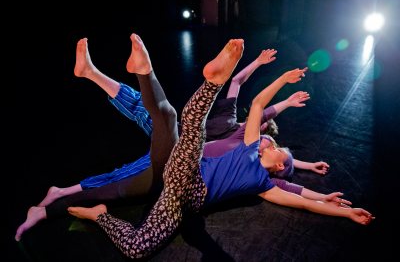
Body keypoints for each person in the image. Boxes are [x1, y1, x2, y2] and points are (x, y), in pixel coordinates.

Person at [66, 34, 374, 260]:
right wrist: (282, 79)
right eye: (269, 141)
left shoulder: (266, 185)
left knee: (137, 249)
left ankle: (98, 215)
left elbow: (304, 199)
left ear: (280, 164)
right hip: (189, 169)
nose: (270, 142)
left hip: (183, 200)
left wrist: (340, 210)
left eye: (277, 147)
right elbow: (257, 104)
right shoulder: (249, 146)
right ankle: (213, 81)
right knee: (188, 133)